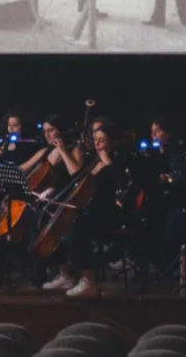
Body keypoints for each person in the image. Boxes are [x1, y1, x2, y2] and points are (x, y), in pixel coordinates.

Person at [44, 124, 129, 298]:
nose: (97, 144)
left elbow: (121, 182)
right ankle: (68, 273)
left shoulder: (117, 159)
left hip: (109, 214)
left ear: (111, 142)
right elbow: (79, 179)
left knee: (77, 227)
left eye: (102, 140)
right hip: (92, 211)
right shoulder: (93, 160)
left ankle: (88, 281)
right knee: (63, 223)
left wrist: (108, 161)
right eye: (95, 140)